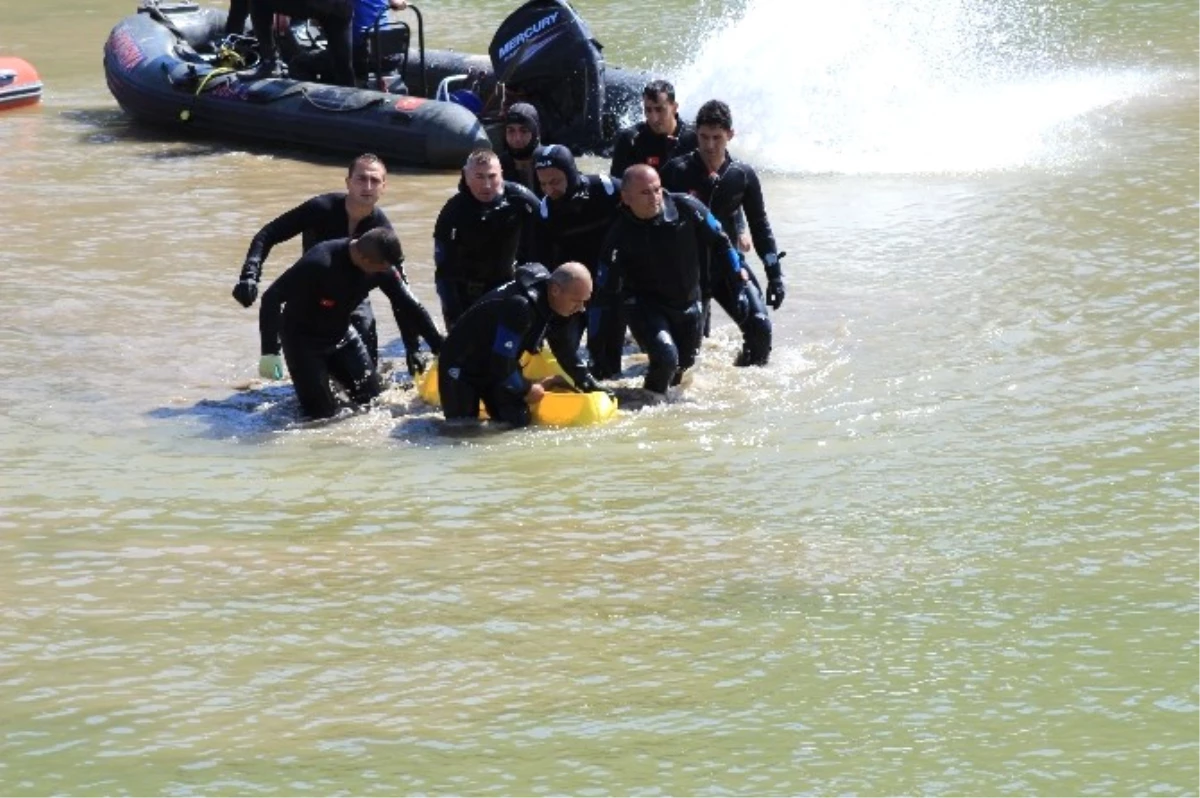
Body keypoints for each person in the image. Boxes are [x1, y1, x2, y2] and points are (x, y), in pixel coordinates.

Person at [231, 152, 442, 374]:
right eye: (361, 178)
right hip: (311, 296)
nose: (367, 186)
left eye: (375, 181)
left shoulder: (382, 231)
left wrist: (412, 346)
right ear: (348, 182)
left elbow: (402, 296)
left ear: (383, 187)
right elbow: (268, 234)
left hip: (354, 300)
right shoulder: (321, 208)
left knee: (369, 372)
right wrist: (250, 275)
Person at [596, 165, 749, 400]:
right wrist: (600, 346)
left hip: (688, 301)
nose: (655, 198)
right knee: (666, 359)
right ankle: (650, 409)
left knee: (682, 367)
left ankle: (662, 408)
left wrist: (737, 280)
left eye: (657, 189)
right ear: (626, 198)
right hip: (645, 306)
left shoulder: (686, 207)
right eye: (645, 193)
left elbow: (721, 241)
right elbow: (605, 291)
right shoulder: (618, 234)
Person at [661, 99, 781, 366]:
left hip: (728, 266)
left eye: (717, 137)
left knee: (760, 329)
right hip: (687, 272)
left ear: (730, 135)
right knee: (686, 358)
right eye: (703, 137)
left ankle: (743, 394)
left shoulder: (742, 175)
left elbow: (760, 225)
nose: (710, 145)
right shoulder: (676, 171)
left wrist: (775, 274)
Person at [257, 228, 417, 419]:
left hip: (342, 336)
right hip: (303, 343)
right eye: (382, 267)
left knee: (375, 402)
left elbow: (409, 305)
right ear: (364, 259)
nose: (387, 271)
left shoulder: (382, 267)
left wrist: (437, 345)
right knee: (321, 417)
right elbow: (271, 297)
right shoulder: (320, 261)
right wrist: (270, 351)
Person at [437, 262, 602, 428]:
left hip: (496, 366)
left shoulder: (558, 305)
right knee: (463, 430)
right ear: (555, 290)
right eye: (576, 301)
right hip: (461, 367)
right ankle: (544, 382)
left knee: (518, 423)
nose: (581, 309)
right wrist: (527, 389)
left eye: (584, 302)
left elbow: (564, 351)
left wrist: (589, 383)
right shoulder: (521, 306)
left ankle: (547, 382)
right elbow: (501, 363)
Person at [531, 144, 624, 378]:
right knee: (565, 357)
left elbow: (641, 209)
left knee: (605, 365)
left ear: (571, 174)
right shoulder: (545, 211)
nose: (549, 189)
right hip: (572, 288)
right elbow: (541, 262)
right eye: (543, 184)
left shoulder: (606, 188)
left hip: (610, 283)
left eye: (555, 181)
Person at [432, 149, 541, 329]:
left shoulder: (519, 199)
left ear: (501, 174)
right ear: (466, 176)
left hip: (507, 286)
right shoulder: (453, 211)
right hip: (464, 292)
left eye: (492, 176)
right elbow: (443, 270)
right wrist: (453, 314)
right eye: (479, 177)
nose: (487, 185)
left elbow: (549, 232)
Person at [231, 0, 355, 85]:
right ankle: (349, 84)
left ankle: (270, 63)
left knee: (259, 2)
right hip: (340, 8)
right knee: (343, 67)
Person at [608, 80, 698, 178]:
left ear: (674, 107)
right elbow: (617, 185)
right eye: (648, 110)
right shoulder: (631, 140)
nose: (653, 118)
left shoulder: (694, 139)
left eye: (659, 110)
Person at [498, 103, 543, 197]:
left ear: (536, 132)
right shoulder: (497, 167)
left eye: (524, 131)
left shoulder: (552, 162)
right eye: (511, 131)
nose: (517, 138)